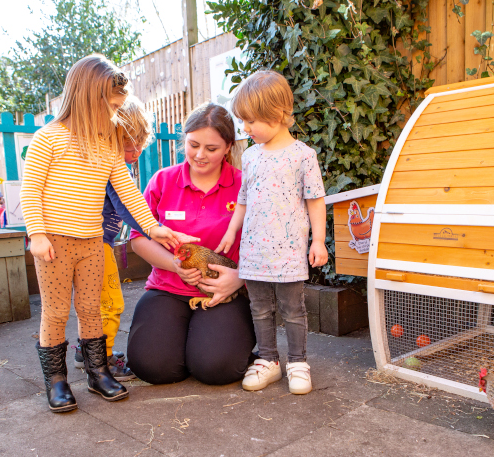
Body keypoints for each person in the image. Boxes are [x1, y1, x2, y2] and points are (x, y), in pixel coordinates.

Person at [20, 55, 196, 413]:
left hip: (91, 243)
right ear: (89, 99)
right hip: (54, 244)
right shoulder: (48, 139)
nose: (115, 115)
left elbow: (128, 192)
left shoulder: (106, 146)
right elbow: (30, 191)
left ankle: (98, 372)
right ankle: (56, 381)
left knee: (91, 309)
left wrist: (153, 227)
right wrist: (36, 234)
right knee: (55, 312)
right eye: (112, 107)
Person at [126, 102, 256, 385]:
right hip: (167, 286)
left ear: (228, 147)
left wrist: (239, 278)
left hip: (223, 291)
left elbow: (266, 241)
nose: (200, 155)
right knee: (151, 367)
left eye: (211, 148)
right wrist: (174, 264)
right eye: (193, 144)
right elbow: (138, 239)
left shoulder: (244, 184)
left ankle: (210, 348)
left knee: (216, 369)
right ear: (183, 139)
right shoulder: (163, 181)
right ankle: (187, 345)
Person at [215, 70, 327, 395]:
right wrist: (230, 233)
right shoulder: (249, 156)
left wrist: (318, 240)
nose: (245, 129)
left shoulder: (303, 156)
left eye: (251, 121)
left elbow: (316, 200)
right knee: (259, 307)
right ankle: (268, 361)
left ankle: (298, 362)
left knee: (294, 309)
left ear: (277, 115)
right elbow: (243, 201)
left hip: (289, 251)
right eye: (243, 121)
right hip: (253, 251)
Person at [73, 95, 154, 381]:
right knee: (110, 303)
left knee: (93, 301)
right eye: (128, 147)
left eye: (139, 147)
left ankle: (87, 350)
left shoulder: (111, 164)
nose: (134, 154)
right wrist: (152, 230)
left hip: (97, 242)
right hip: (96, 244)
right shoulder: (110, 168)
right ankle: (101, 357)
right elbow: (127, 207)